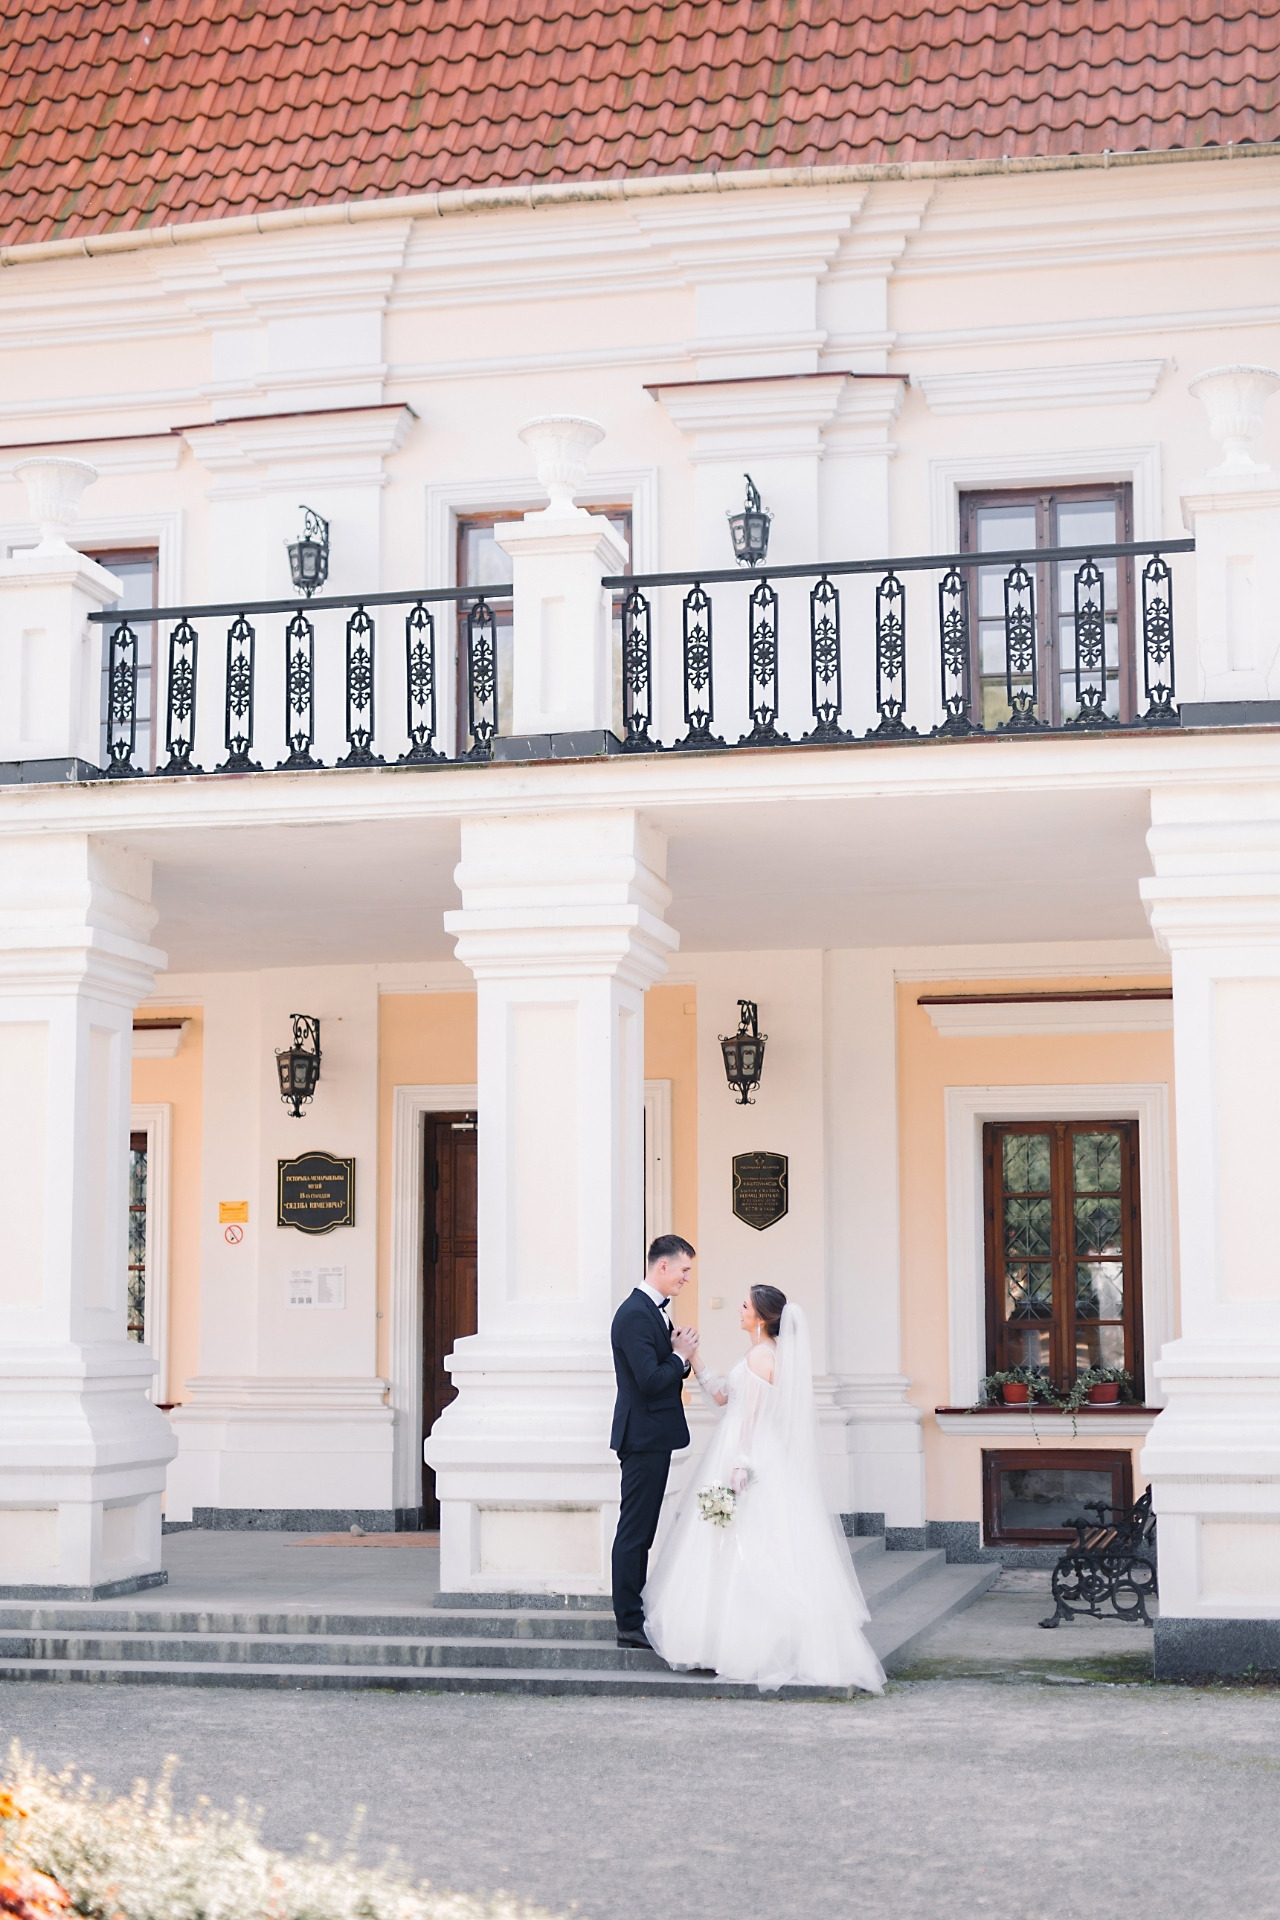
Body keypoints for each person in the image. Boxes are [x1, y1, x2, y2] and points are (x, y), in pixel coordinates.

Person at [643, 1284, 885, 1694]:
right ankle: (730, 1642)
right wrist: (693, 1355)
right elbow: (722, 1397)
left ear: (760, 1315)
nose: (738, 1310)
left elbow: (750, 1415)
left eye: (744, 1305)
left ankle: (744, 1645)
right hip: (749, 1447)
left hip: (747, 1453)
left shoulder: (760, 1355)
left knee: (746, 1544)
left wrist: (741, 1464)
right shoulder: (764, 1353)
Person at [609, 1234, 699, 1650]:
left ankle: (634, 1613)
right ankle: (628, 1621)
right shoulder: (634, 1315)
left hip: (652, 1435)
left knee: (642, 1530)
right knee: (635, 1531)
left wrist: (674, 1351)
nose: (686, 1278)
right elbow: (648, 1381)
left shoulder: (651, 1312)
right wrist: (679, 1355)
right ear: (661, 1266)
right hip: (642, 1437)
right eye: (683, 1270)